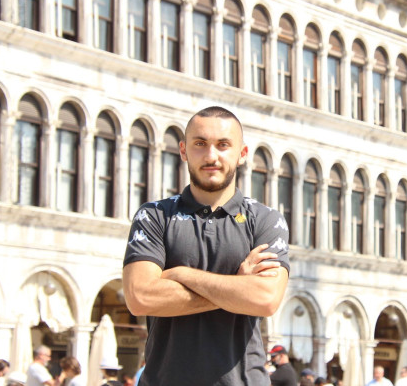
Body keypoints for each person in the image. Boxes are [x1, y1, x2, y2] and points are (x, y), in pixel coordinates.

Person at [123, 106, 290, 386]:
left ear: (242, 153)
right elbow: (140, 297)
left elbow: (265, 299)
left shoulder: (265, 220)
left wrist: (181, 274)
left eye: (223, 145)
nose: (211, 156)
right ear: (184, 150)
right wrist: (238, 287)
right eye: (200, 144)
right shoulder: (154, 216)